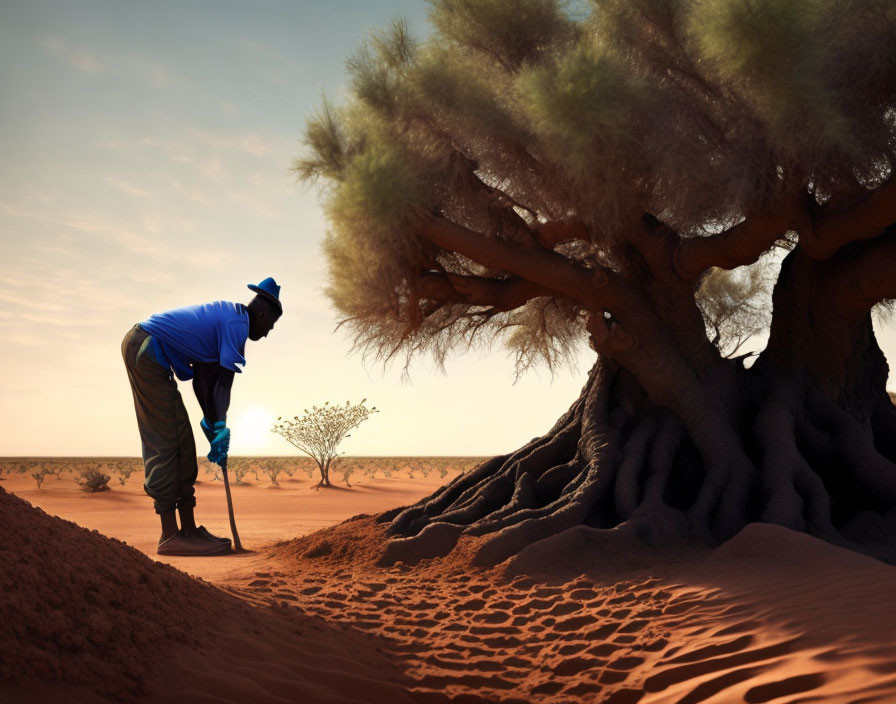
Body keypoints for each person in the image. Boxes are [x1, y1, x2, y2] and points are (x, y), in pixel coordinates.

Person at [121, 277, 282, 556]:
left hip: (150, 352)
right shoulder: (236, 324)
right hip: (144, 349)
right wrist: (220, 426)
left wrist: (211, 423)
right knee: (166, 440)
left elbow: (205, 380)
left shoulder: (229, 319)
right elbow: (224, 383)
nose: (267, 332)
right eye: (271, 325)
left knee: (183, 440)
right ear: (262, 313)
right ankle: (170, 535)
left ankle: (189, 530)